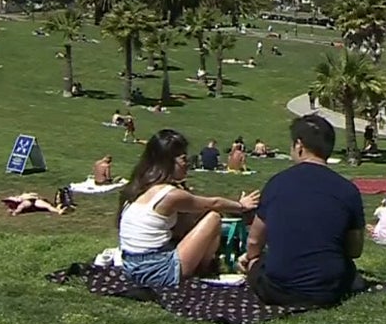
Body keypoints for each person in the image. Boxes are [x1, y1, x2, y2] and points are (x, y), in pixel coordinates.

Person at [237, 114, 365, 307]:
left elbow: (254, 241)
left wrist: (250, 259)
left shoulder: (277, 184)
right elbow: (354, 251)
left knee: (256, 263)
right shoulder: (348, 190)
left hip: (278, 290)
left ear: (299, 145)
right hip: (330, 290)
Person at [118, 130, 260, 288]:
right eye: (184, 159)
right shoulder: (169, 195)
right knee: (213, 218)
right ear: (168, 162)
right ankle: (205, 270)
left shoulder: (138, 188)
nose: (188, 164)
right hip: (157, 271)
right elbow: (213, 204)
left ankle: (204, 266)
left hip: (131, 266)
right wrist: (241, 205)